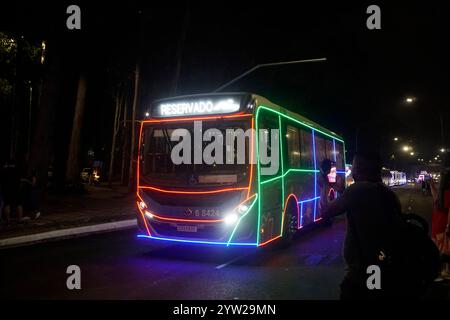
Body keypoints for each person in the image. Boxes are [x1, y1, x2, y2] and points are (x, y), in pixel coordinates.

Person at [319, 152, 408, 299]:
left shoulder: (358, 190)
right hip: (381, 262)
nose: (351, 170)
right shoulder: (387, 193)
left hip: (364, 268)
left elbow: (325, 211)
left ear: (359, 169)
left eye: (353, 166)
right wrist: (342, 190)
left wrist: (324, 185)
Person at [430, 170, 450, 281]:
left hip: (436, 228)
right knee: (447, 252)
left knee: (439, 251)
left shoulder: (441, 193)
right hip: (444, 228)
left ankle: (438, 273)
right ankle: (446, 272)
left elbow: (435, 197)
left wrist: (432, 186)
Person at [0, 159, 24, 224]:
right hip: (16, 189)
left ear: (8, 164)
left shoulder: (4, 171)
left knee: (7, 204)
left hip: (7, 189)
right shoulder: (18, 170)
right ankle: (20, 219)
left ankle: (8, 220)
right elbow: (21, 180)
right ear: (14, 164)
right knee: (19, 204)